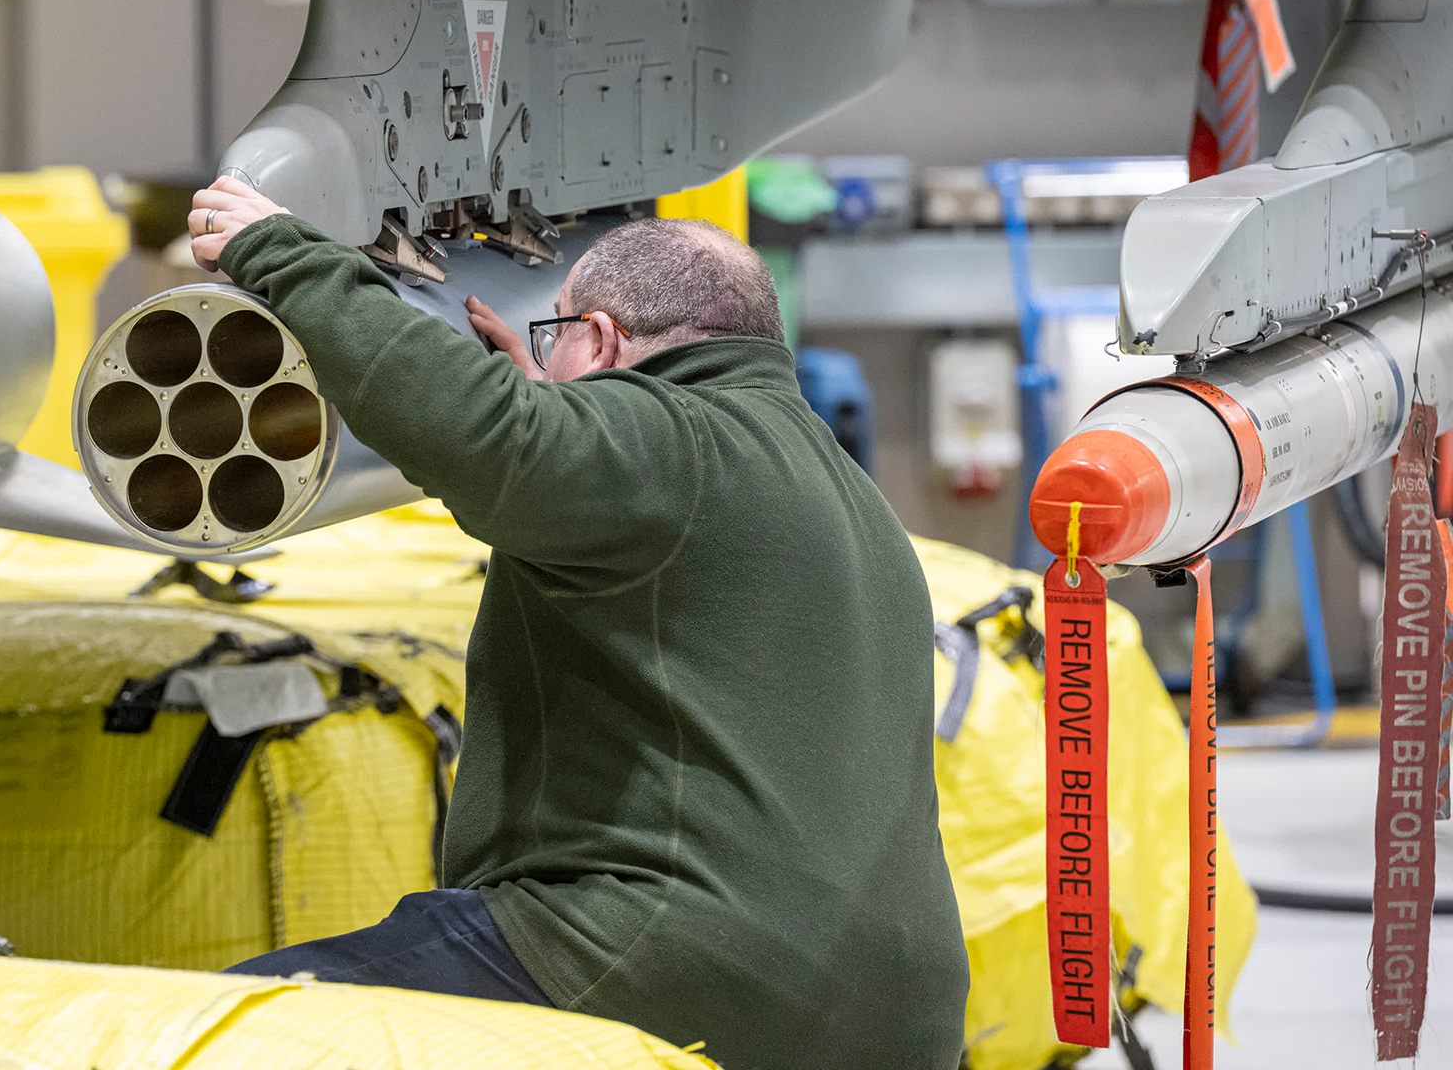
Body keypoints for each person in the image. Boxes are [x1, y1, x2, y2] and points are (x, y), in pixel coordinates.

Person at [189, 177, 968, 1070]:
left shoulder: (677, 441)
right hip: (894, 1012)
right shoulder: (837, 491)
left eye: (552, 335)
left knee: (224, 1033)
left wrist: (279, 249)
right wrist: (551, 406)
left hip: (666, 955)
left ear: (598, 341)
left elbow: (486, 436)